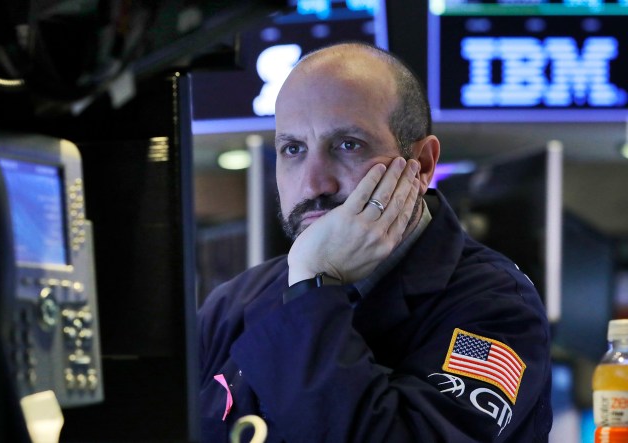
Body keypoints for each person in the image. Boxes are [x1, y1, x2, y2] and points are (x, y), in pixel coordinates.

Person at [197, 42, 552, 442]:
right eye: (293, 149)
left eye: (348, 145)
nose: (314, 183)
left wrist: (314, 286)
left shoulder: (495, 306)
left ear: (422, 165)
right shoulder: (233, 303)